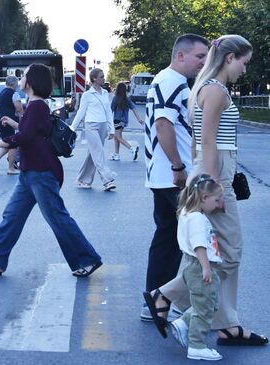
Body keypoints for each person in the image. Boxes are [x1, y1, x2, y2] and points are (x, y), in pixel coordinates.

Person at [145, 34, 268, 347]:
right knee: (231, 251)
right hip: (215, 176)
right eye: (244, 62)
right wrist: (213, 190)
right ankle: (167, 295)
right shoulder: (214, 90)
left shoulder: (206, 87)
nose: (245, 69)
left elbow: (199, 141)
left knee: (219, 253)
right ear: (229, 59)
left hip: (212, 172)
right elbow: (208, 142)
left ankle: (225, 322)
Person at [0, 63, 102, 277]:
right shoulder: (34, 105)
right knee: (12, 216)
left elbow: (24, 137)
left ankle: (87, 259)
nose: (20, 78)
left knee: (57, 218)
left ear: (31, 82)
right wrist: (15, 126)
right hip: (29, 172)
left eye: (23, 75)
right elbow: (29, 132)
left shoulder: (37, 106)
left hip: (41, 172)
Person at [140, 34, 209, 321]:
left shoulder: (168, 80)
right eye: (199, 57)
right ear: (180, 55)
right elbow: (163, 123)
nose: (203, 62)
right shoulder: (172, 81)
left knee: (168, 239)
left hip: (163, 175)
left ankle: (156, 301)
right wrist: (178, 166)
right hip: (172, 176)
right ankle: (166, 300)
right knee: (196, 240)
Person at [166, 174, 224, 361]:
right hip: (200, 266)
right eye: (216, 200)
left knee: (208, 304)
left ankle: (183, 323)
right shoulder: (197, 219)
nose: (218, 205)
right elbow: (199, 245)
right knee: (204, 309)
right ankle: (196, 346)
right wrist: (206, 268)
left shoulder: (186, 212)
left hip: (194, 266)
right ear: (204, 197)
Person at [70, 68, 117, 191]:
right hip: (91, 125)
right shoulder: (87, 95)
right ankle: (107, 180)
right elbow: (81, 112)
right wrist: (72, 129)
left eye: (103, 76)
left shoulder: (106, 93)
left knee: (93, 153)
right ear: (94, 79)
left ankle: (83, 180)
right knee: (99, 152)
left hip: (103, 126)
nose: (104, 78)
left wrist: (111, 129)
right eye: (101, 77)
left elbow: (108, 112)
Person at [0, 75, 24, 175]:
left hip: (0, 119)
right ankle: (11, 168)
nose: (17, 85)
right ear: (13, 83)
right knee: (13, 143)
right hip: (9, 121)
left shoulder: (1, 93)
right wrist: (23, 118)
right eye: (16, 83)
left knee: (8, 142)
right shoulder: (14, 94)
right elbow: (19, 108)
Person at [110, 81, 143, 161]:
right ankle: (116, 154)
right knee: (117, 137)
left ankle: (132, 149)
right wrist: (139, 119)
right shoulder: (127, 99)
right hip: (124, 121)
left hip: (117, 120)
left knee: (117, 137)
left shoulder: (115, 98)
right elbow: (134, 109)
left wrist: (108, 121)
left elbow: (110, 110)